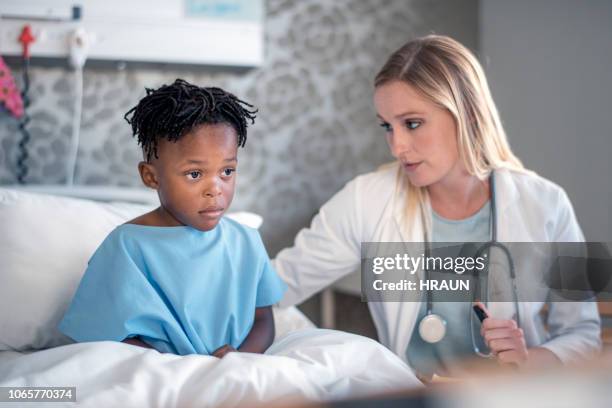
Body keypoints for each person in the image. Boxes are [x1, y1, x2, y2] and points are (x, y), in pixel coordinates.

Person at [273, 35, 601, 379]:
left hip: (506, 396)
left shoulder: (548, 204)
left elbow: (583, 332)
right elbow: (277, 285)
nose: (397, 146)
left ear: (467, 114)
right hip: (412, 396)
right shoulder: (364, 199)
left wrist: (529, 359)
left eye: (412, 123)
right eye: (388, 126)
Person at [59, 79, 287, 358]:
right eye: (194, 174)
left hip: (235, 370)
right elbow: (104, 338)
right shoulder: (127, 247)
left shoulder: (246, 242)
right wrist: (177, 365)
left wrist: (236, 359)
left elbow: (263, 321)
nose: (215, 189)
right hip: (158, 374)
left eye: (227, 171)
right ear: (151, 176)